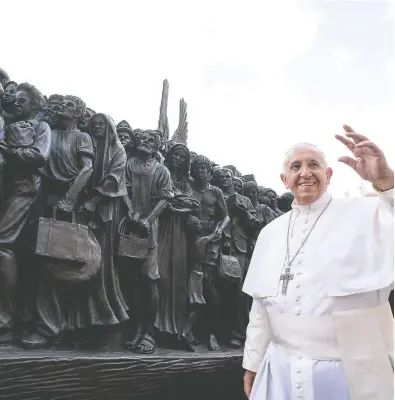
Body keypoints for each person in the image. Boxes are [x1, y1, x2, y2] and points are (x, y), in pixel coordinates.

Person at [242, 124, 394, 400]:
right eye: (295, 166)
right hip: (281, 369)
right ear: (284, 178)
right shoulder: (270, 233)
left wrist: (386, 181)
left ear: (329, 174)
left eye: (314, 165)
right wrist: (253, 362)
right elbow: (261, 307)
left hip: (349, 373)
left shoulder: (365, 212)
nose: (305, 173)